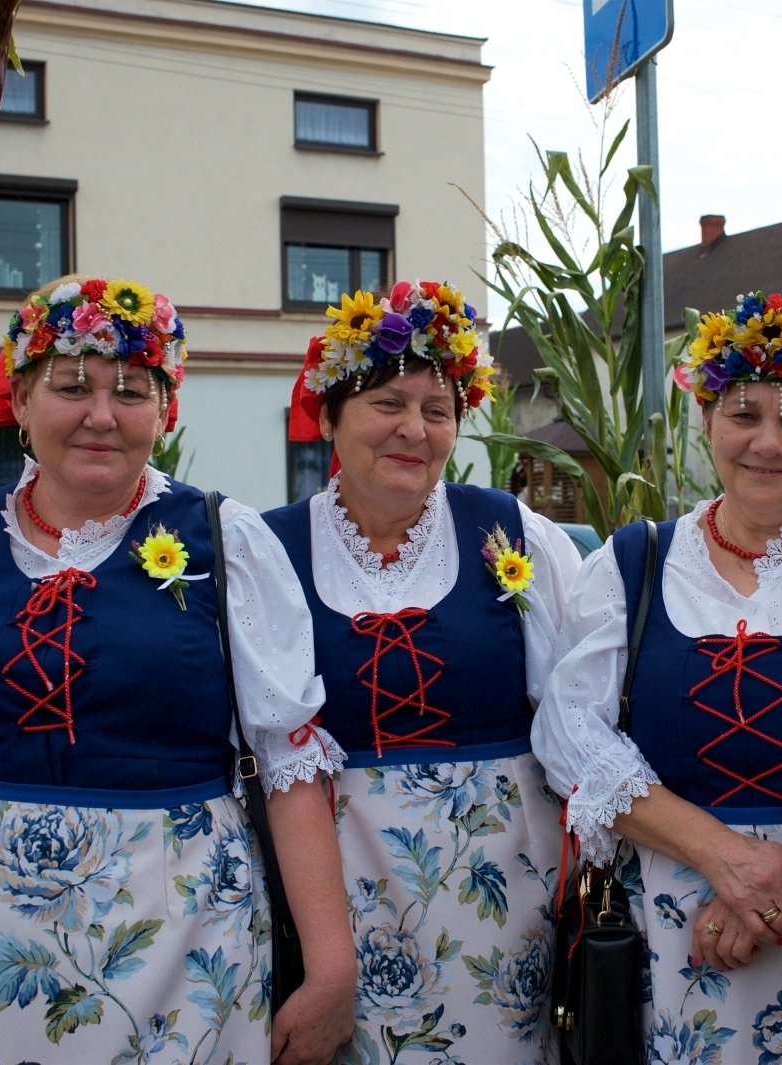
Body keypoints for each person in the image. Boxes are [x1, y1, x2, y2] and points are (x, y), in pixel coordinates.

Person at [0, 276, 355, 1065]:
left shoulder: (225, 541)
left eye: (132, 390)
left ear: (164, 413)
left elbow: (290, 765)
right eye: (71, 386)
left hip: (177, 956)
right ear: (20, 403)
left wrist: (331, 966)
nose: (102, 413)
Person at [533, 292, 782, 1061]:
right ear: (707, 421)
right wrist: (725, 856)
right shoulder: (635, 565)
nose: (768, 442)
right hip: (675, 926)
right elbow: (569, 735)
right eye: (744, 414)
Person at [254, 280, 583, 1063]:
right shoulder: (266, 550)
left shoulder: (514, 536)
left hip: (505, 906)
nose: (414, 429)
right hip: (332, 900)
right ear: (329, 415)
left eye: (438, 410)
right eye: (387, 404)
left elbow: (583, 717)